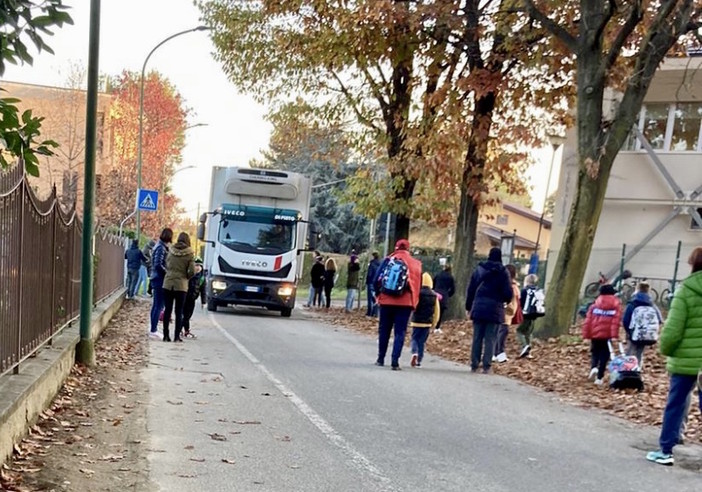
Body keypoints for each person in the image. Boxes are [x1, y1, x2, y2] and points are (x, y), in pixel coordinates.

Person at [646, 247, 702, 466]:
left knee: (676, 403)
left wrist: (666, 349)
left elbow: (673, 329)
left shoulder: (686, 291)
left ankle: (666, 449)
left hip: (685, 361)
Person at [375, 239, 422, 370]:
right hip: (405, 303)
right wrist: (414, 303)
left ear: (396, 248)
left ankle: (380, 358)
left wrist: (378, 295)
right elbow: (417, 286)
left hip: (386, 300)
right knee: (399, 332)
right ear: (408, 249)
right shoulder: (416, 264)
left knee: (384, 330)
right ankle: (395, 361)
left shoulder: (388, 260)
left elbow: (376, 279)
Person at [465, 247, 513, 374]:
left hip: (479, 306)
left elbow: (471, 289)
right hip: (495, 308)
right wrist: (505, 301)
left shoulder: (479, 270)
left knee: (477, 337)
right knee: (490, 338)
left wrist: (468, 307)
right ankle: (487, 366)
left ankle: (474, 364)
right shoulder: (504, 272)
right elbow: (508, 292)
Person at [582, 284, 621, 385]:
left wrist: (586, 335)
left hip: (595, 334)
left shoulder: (594, 306)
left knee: (595, 352)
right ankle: (599, 377)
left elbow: (588, 321)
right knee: (605, 355)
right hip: (607, 336)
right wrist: (614, 336)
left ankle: (594, 367)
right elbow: (615, 323)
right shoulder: (616, 307)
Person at [162, 232, 196, 342]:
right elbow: (191, 271)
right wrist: (187, 276)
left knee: (168, 310)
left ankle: (166, 335)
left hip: (168, 282)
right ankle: (177, 336)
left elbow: (167, 263)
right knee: (179, 311)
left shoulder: (171, 250)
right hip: (181, 285)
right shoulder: (190, 253)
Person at [622, 281, 662, 370]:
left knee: (629, 351)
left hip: (633, 333)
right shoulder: (652, 304)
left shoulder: (633, 303)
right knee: (639, 352)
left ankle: (626, 372)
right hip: (646, 334)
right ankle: (637, 371)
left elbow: (625, 320)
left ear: (637, 289)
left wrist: (629, 331)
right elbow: (659, 319)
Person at [410, 273, 440, 368]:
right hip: (427, 323)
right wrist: (434, 322)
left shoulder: (417, 293)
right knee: (422, 342)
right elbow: (437, 310)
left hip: (416, 321)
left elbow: (413, 306)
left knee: (414, 338)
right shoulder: (434, 296)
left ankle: (414, 352)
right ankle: (419, 360)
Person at [494, 264, 521, 363]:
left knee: (500, 332)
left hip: (508, 312)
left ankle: (496, 352)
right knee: (502, 332)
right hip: (507, 312)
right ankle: (498, 352)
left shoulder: (510, 285)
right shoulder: (510, 286)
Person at [149, 228, 173, 338]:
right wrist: (167, 273)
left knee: (156, 305)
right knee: (159, 305)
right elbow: (158, 264)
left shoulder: (158, 246)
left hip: (156, 278)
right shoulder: (161, 248)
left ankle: (153, 328)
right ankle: (153, 329)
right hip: (160, 279)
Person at [516, 274, 540, 358]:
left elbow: (521, 302)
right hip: (534, 315)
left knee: (519, 331)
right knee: (528, 332)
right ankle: (528, 351)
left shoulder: (524, 291)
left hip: (525, 314)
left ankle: (524, 346)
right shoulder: (538, 291)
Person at [182, 257, 206, 338]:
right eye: (196, 265)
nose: (198, 267)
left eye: (200, 266)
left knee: (188, 315)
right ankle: (184, 330)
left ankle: (185, 330)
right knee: (184, 315)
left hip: (192, 299)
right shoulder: (189, 275)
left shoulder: (202, 278)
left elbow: (203, 291)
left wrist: (203, 302)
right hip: (185, 297)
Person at [433, 263, 456, 333]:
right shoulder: (450, 277)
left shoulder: (438, 275)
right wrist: (448, 295)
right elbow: (453, 289)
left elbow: (433, 283)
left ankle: (430, 324)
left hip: (435, 293)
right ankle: (437, 327)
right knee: (440, 312)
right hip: (444, 295)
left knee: (433, 310)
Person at [365, 251, 381, 317]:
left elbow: (369, 274)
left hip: (371, 282)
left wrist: (367, 281)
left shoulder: (372, 264)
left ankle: (370, 312)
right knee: (376, 298)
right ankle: (376, 312)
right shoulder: (380, 264)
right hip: (378, 283)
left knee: (370, 298)